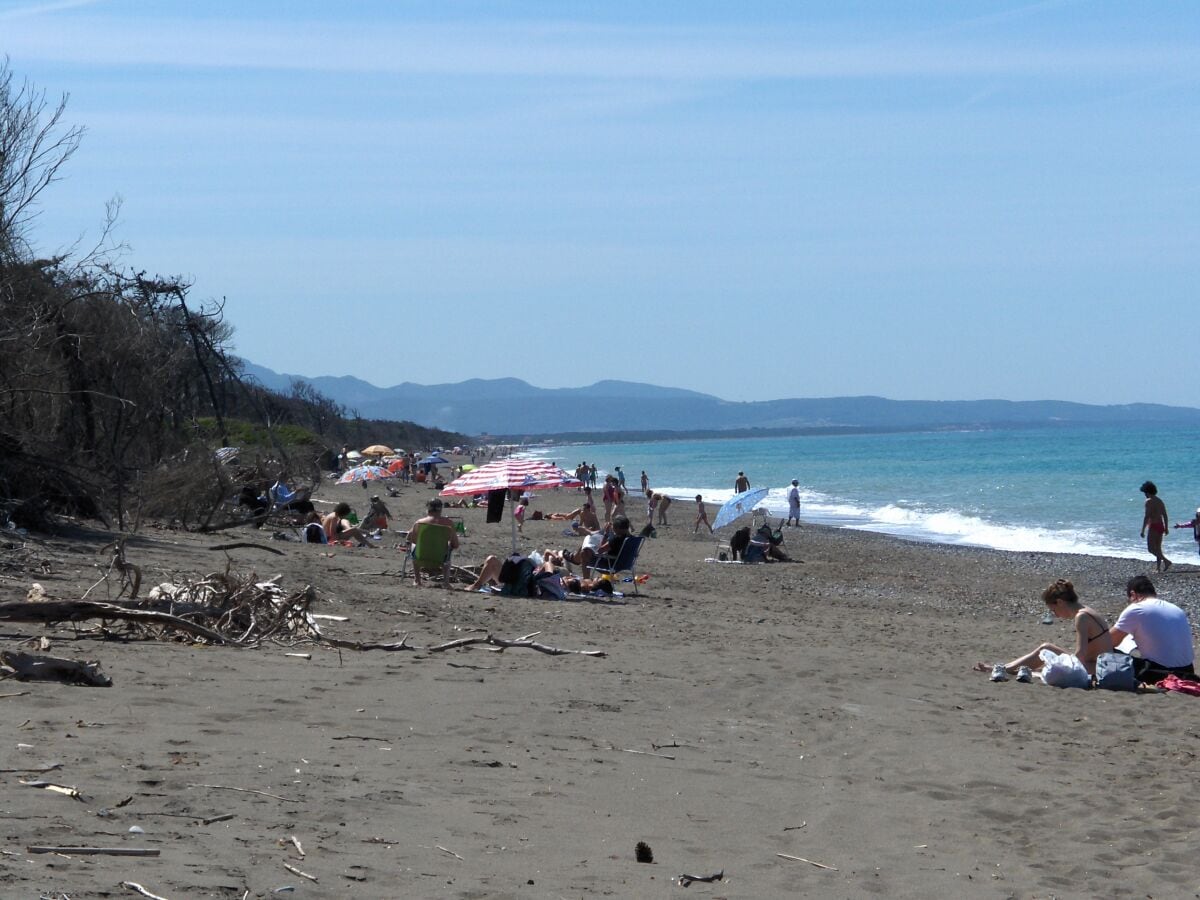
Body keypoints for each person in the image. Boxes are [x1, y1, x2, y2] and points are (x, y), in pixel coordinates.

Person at [973, 579, 1112, 681]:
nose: (1056, 615)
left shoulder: (1081, 617)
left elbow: (1080, 656)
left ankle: (1006, 669)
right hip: (1102, 666)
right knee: (1047, 655)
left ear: (1060, 602)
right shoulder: (1088, 611)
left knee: (1045, 650)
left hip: (1096, 669)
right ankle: (1008, 668)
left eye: (1054, 610)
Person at [1107, 575, 1195, 683]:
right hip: (1188, 671)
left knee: (1105, 651)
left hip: (1161, 673)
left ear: (1133, 594)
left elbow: (1108, 642)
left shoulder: (1137, 609)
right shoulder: (1176, 609)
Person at [406, 497, 461, 587]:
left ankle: (417, 580)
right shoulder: (448, 523)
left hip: (420, 556)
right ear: (441, 509)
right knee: (448, 548)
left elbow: (409, 538)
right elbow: (456, 545)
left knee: (412, 546)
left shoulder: (419, 523)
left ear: (428, 509)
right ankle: (446, 583)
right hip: (440, 558)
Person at [1139, 480, 1172, 573]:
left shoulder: (1149, 501)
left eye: (1145, 492)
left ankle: (1166, 561)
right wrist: (1166, 527)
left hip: (1153, 526)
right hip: (1160, 525)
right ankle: (1158, 568)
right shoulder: (1159, 501)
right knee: (1158, 548)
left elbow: (1147, 516)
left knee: (1151, 549)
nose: (1144, 494)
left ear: (1147, 491)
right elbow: (1165, 515)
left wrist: (1142, 530)